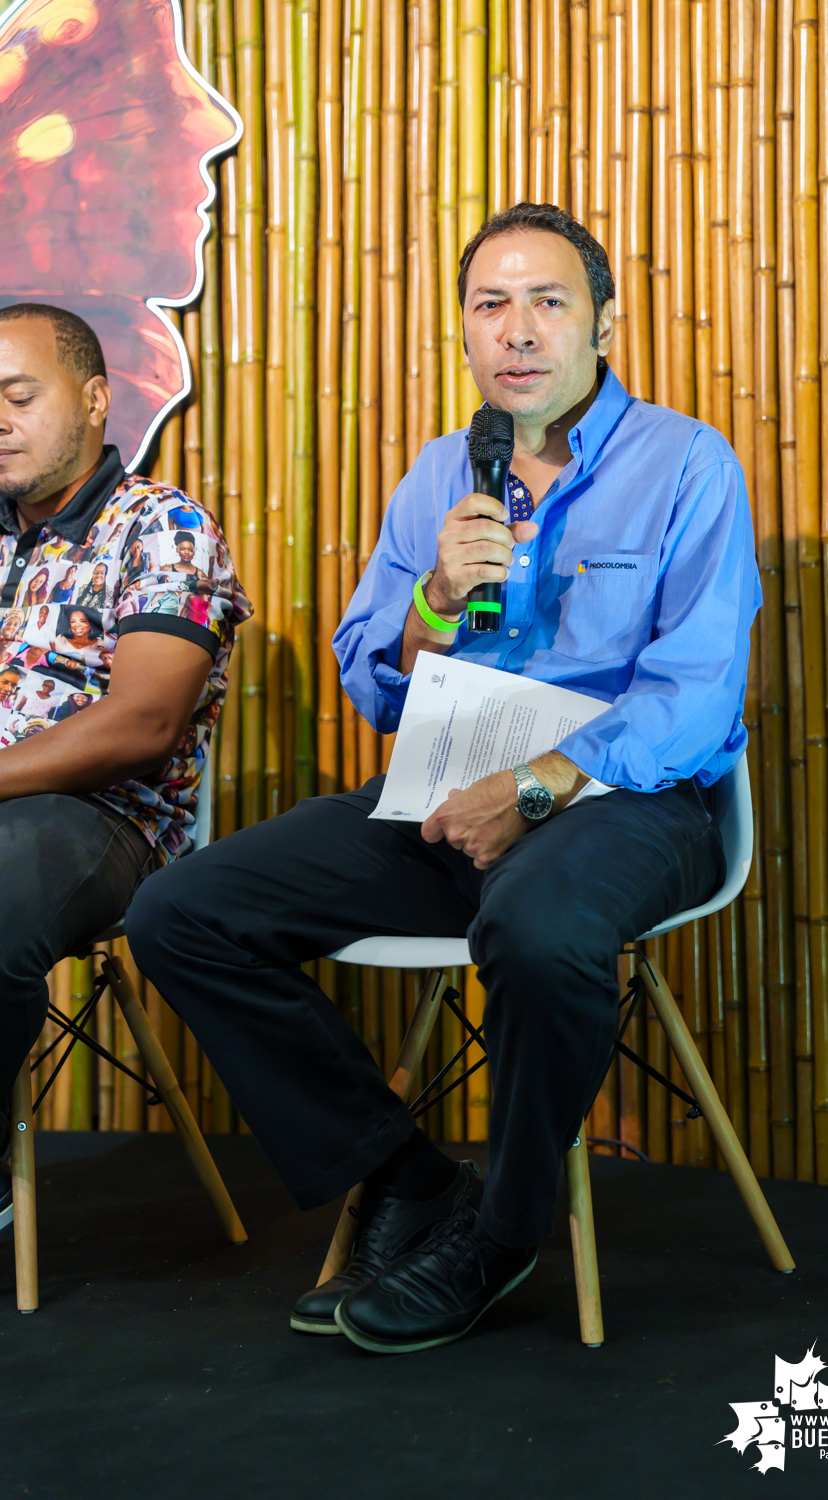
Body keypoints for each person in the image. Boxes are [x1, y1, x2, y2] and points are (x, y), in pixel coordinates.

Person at [127, 202, 760, 1355]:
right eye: (490, 305)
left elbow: (697, 692)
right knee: (182, 909)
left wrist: (537, 785)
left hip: (627, 802)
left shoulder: (684, 463)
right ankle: (409, 1177)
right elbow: (373, 681)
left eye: (547, 301)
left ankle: (504, 1231)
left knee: (535, 924)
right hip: (447, 791)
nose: (517, 331)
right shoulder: (440, 474)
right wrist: (426, 607)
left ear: (603, 321)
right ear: (465, 333)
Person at [0, 303, 250, 1236]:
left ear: (97, 399)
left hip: (105, 820)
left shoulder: (162, 528)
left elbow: (145, 721)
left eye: (20, 396)